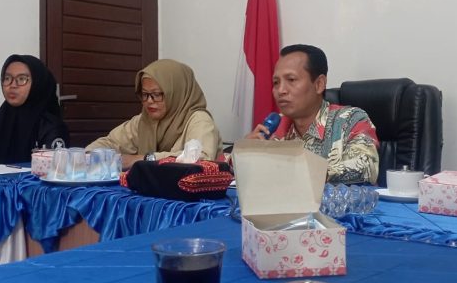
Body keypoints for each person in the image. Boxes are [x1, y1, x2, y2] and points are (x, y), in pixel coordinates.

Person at [245, 44, 380, 184]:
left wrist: (298, 171)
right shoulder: (275, 128)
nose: (281, 90)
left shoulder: (351, 120)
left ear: (319, 84)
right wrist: (244, 155)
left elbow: (366, 168)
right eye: (276, 82)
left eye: (291, 80)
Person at [86, 59, 222, 168]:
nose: (149, 101)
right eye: (145, 94)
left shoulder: (199, 120)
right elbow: (110, 143)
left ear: (176, 93)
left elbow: (200, 159)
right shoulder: (144, 121)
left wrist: (144, 159)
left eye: (156, 94)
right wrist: (89, 156)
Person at [0, 54, 69, 166]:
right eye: (7, 78)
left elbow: (53, 170)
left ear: (37, 83)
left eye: (21, 79)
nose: (13, 85)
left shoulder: (50, 128)